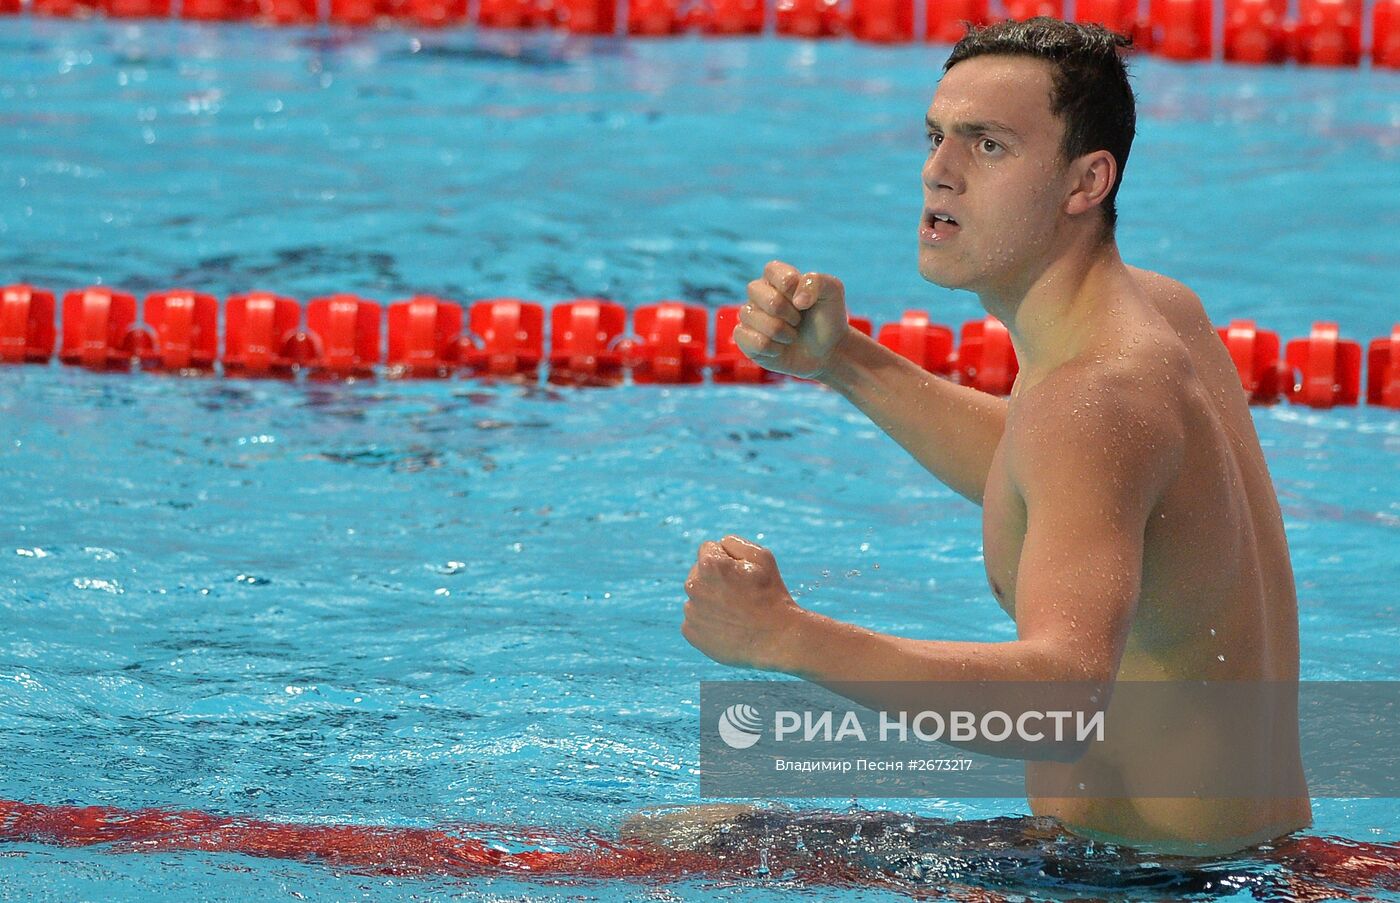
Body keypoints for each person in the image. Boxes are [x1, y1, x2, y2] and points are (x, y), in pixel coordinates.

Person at [669, 17, 1312, 856]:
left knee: (673, 846)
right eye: (937, 137)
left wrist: (786, 636)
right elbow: (1051, 476)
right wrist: (844, 361)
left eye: (989, 147)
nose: (938, 172)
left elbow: (1060, 701)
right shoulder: (1157, 318)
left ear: (1087, 181)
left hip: (1145, 881)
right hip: (1253, 863)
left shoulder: (1095, 395)